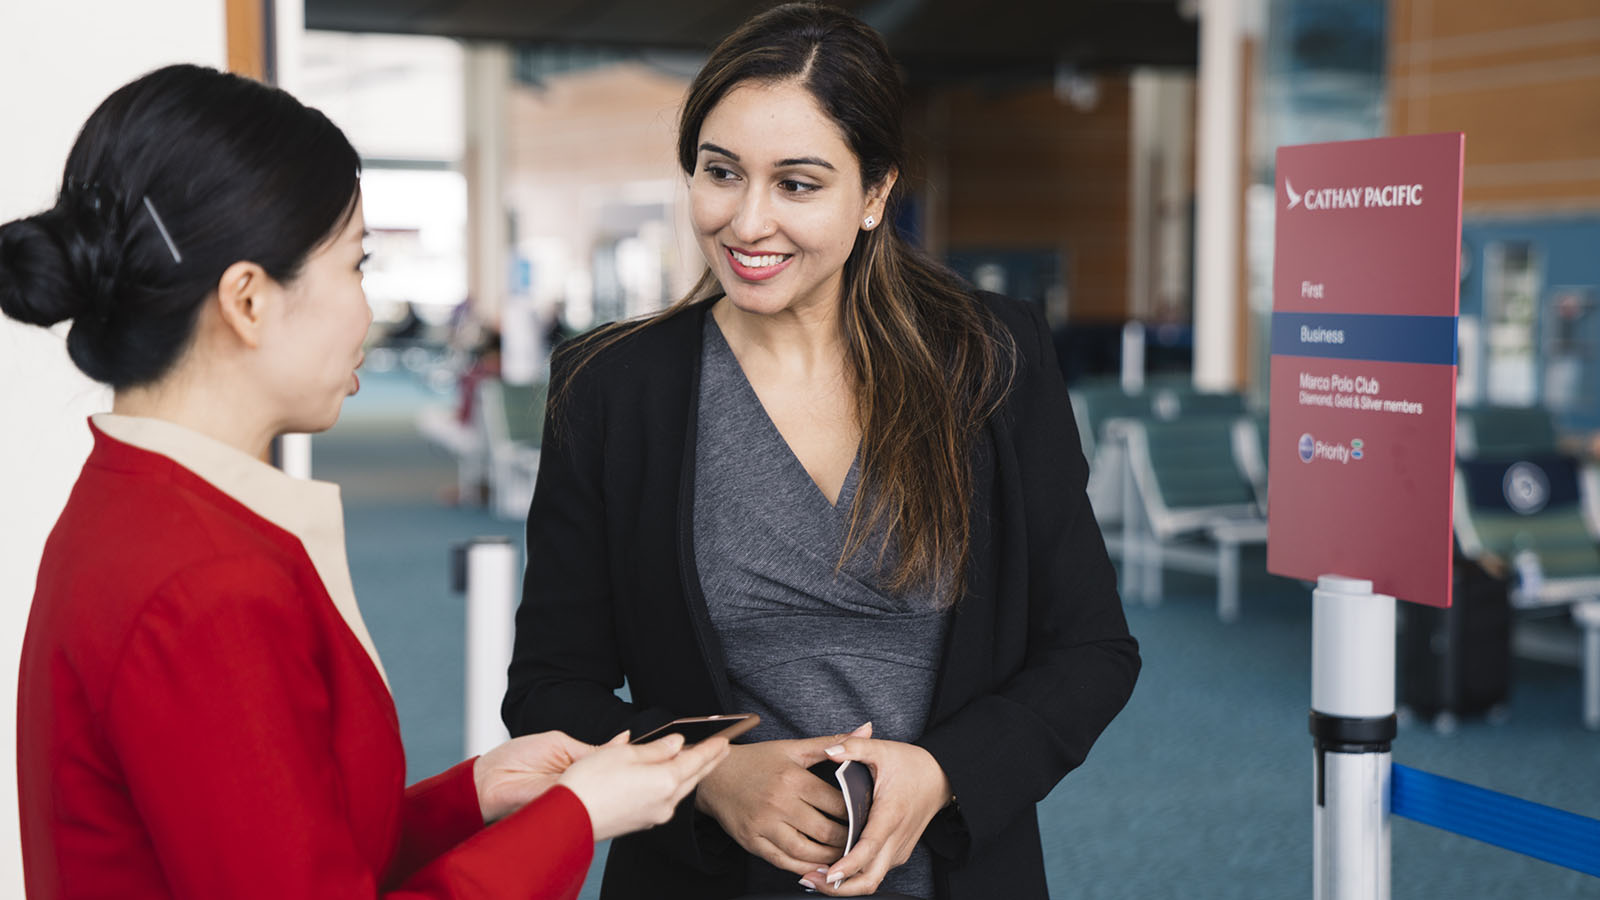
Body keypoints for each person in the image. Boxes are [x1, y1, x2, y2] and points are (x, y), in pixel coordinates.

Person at [2, 64, 728, 900]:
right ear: (248, 300)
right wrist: (573, 819)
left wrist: (478, 794)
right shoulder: (206, 583)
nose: (364, 306)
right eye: (356, 265)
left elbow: (283, 853)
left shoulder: (132, 503)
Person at [502, 4, 1141, 899]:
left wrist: (946, 772)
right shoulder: (612, 386)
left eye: (797, 184)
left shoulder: (991, 359)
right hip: (707, 878)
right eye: (720, 173)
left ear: (875, 194)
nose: (747, 222)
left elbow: (1091, 650)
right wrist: (708, 775)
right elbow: (550, 687)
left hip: (950, 876)